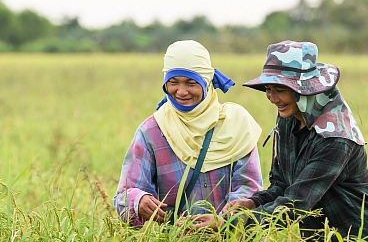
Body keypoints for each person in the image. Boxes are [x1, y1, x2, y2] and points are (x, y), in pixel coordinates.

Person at [224, 41, 368, 242]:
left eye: (281, 90)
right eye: (268, 89)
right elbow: (283, 184)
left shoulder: (335, 136)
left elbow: (296, 202)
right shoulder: (289, 117)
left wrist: (226, 224)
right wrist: (253, 202)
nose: (273, 99)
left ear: (305, 90)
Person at [113, 40, 264, 227]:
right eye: (173, 82)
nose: (181, 92)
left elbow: (251, 191)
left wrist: (224, 222)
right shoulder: (152, 132)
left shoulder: (236, 124)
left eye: (191, 83)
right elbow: (123, 197)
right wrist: (137, 200)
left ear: (207, 82)